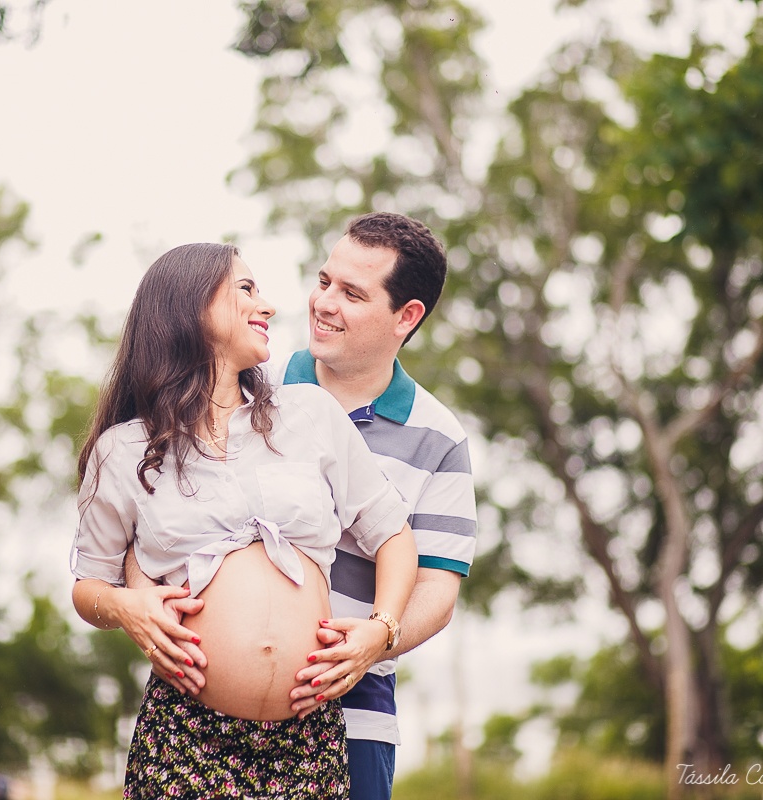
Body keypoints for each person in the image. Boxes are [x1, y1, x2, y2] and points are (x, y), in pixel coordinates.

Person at [68, 242, 420, 800]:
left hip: (307, 739)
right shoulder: (123, 450)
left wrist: (381, 631)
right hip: (186, 737)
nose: (269, 306)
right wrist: (124, 607)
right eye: (247, 289)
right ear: (190, 307)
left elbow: (395, 539)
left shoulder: (310, 414)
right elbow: (89, 585)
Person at [278, 212, 478, 800]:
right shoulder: (248, 384)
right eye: (323, 281)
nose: (323, 303)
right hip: (213, 706)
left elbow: (437, 593)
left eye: (352, 293)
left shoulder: (441, 438)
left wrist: (373, 640)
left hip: (354, 713)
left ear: (406, 316)